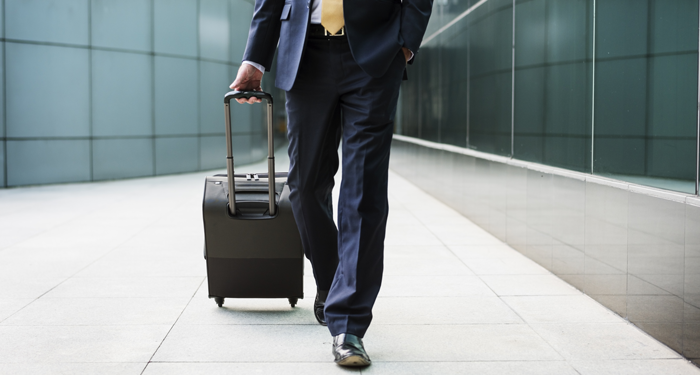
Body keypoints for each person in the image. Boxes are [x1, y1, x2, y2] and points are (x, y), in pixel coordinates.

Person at [230, 0, 432, 366]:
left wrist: (405, 43)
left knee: (363, 190)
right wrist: (256, 59)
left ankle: (348, 326)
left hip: (374, 53)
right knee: (305, 186)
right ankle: (333, 278)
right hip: (304, 53)